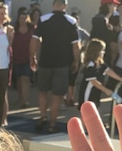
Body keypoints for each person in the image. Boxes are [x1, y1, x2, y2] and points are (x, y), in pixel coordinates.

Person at [31, 0, 82, 133]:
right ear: (65, 6)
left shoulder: (43, 19)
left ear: (53, 5)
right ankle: (52, 123)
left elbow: (34, 39)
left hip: (45, 62)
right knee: (57, 95)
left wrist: (33, 57)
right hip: (62, 64)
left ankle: (42, 117)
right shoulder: (71, 21)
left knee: (42, 91)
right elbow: (76, 45)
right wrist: (76, 61)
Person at [79, 38, 122, 107]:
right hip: (88, 93)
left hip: (96, 92)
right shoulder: (90, 65)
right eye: (102, 51)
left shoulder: (100, 63)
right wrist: (106, 90)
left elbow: (108, 71)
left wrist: (120, 79)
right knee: (87, 110)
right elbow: (93, 81)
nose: (104, 52)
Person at [12, 10, 35, 107]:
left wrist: (34, 57)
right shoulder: (14, 29)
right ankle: (20, 98)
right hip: (16, 57)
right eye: (21, 18)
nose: (22, 20)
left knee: (25, 79)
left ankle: (25, 100)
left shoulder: (32, 29)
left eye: (24, 18)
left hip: (28, 58)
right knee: (18, 80)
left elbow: (36, 43)